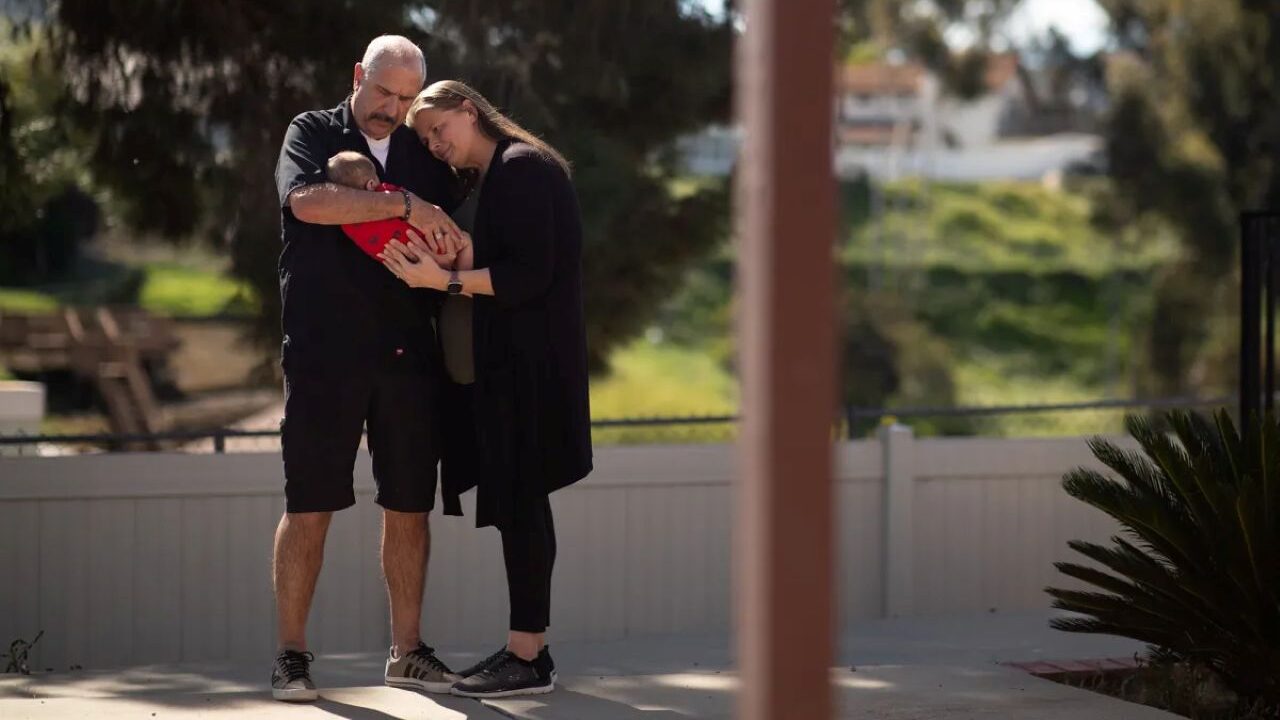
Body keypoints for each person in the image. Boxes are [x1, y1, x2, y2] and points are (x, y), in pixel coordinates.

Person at [378, 79, 593, 698]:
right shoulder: (495, 176)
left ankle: (528, 656)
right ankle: (527, 650)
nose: (434, 144)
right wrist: (460, 257)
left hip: (527, 372)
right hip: (502, 373)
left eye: (439, 129)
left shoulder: (524, 167)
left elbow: (530, 275)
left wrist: (438, 282)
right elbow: (504, 257)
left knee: (522, 506)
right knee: (516, 506)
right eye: (423, 139)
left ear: (469, 111)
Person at [269, 35, 465, 702]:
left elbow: (453, 234)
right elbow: (309, 203)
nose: (393, 108)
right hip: (323, 351)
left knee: (409, 505)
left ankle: (407, 653)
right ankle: (291, 657)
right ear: (358, 75)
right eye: (383, 92)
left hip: (409, 355)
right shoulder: (311, 131)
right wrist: (406, 205)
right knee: (310, 504)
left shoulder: (422, 151)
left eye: (407, 98)